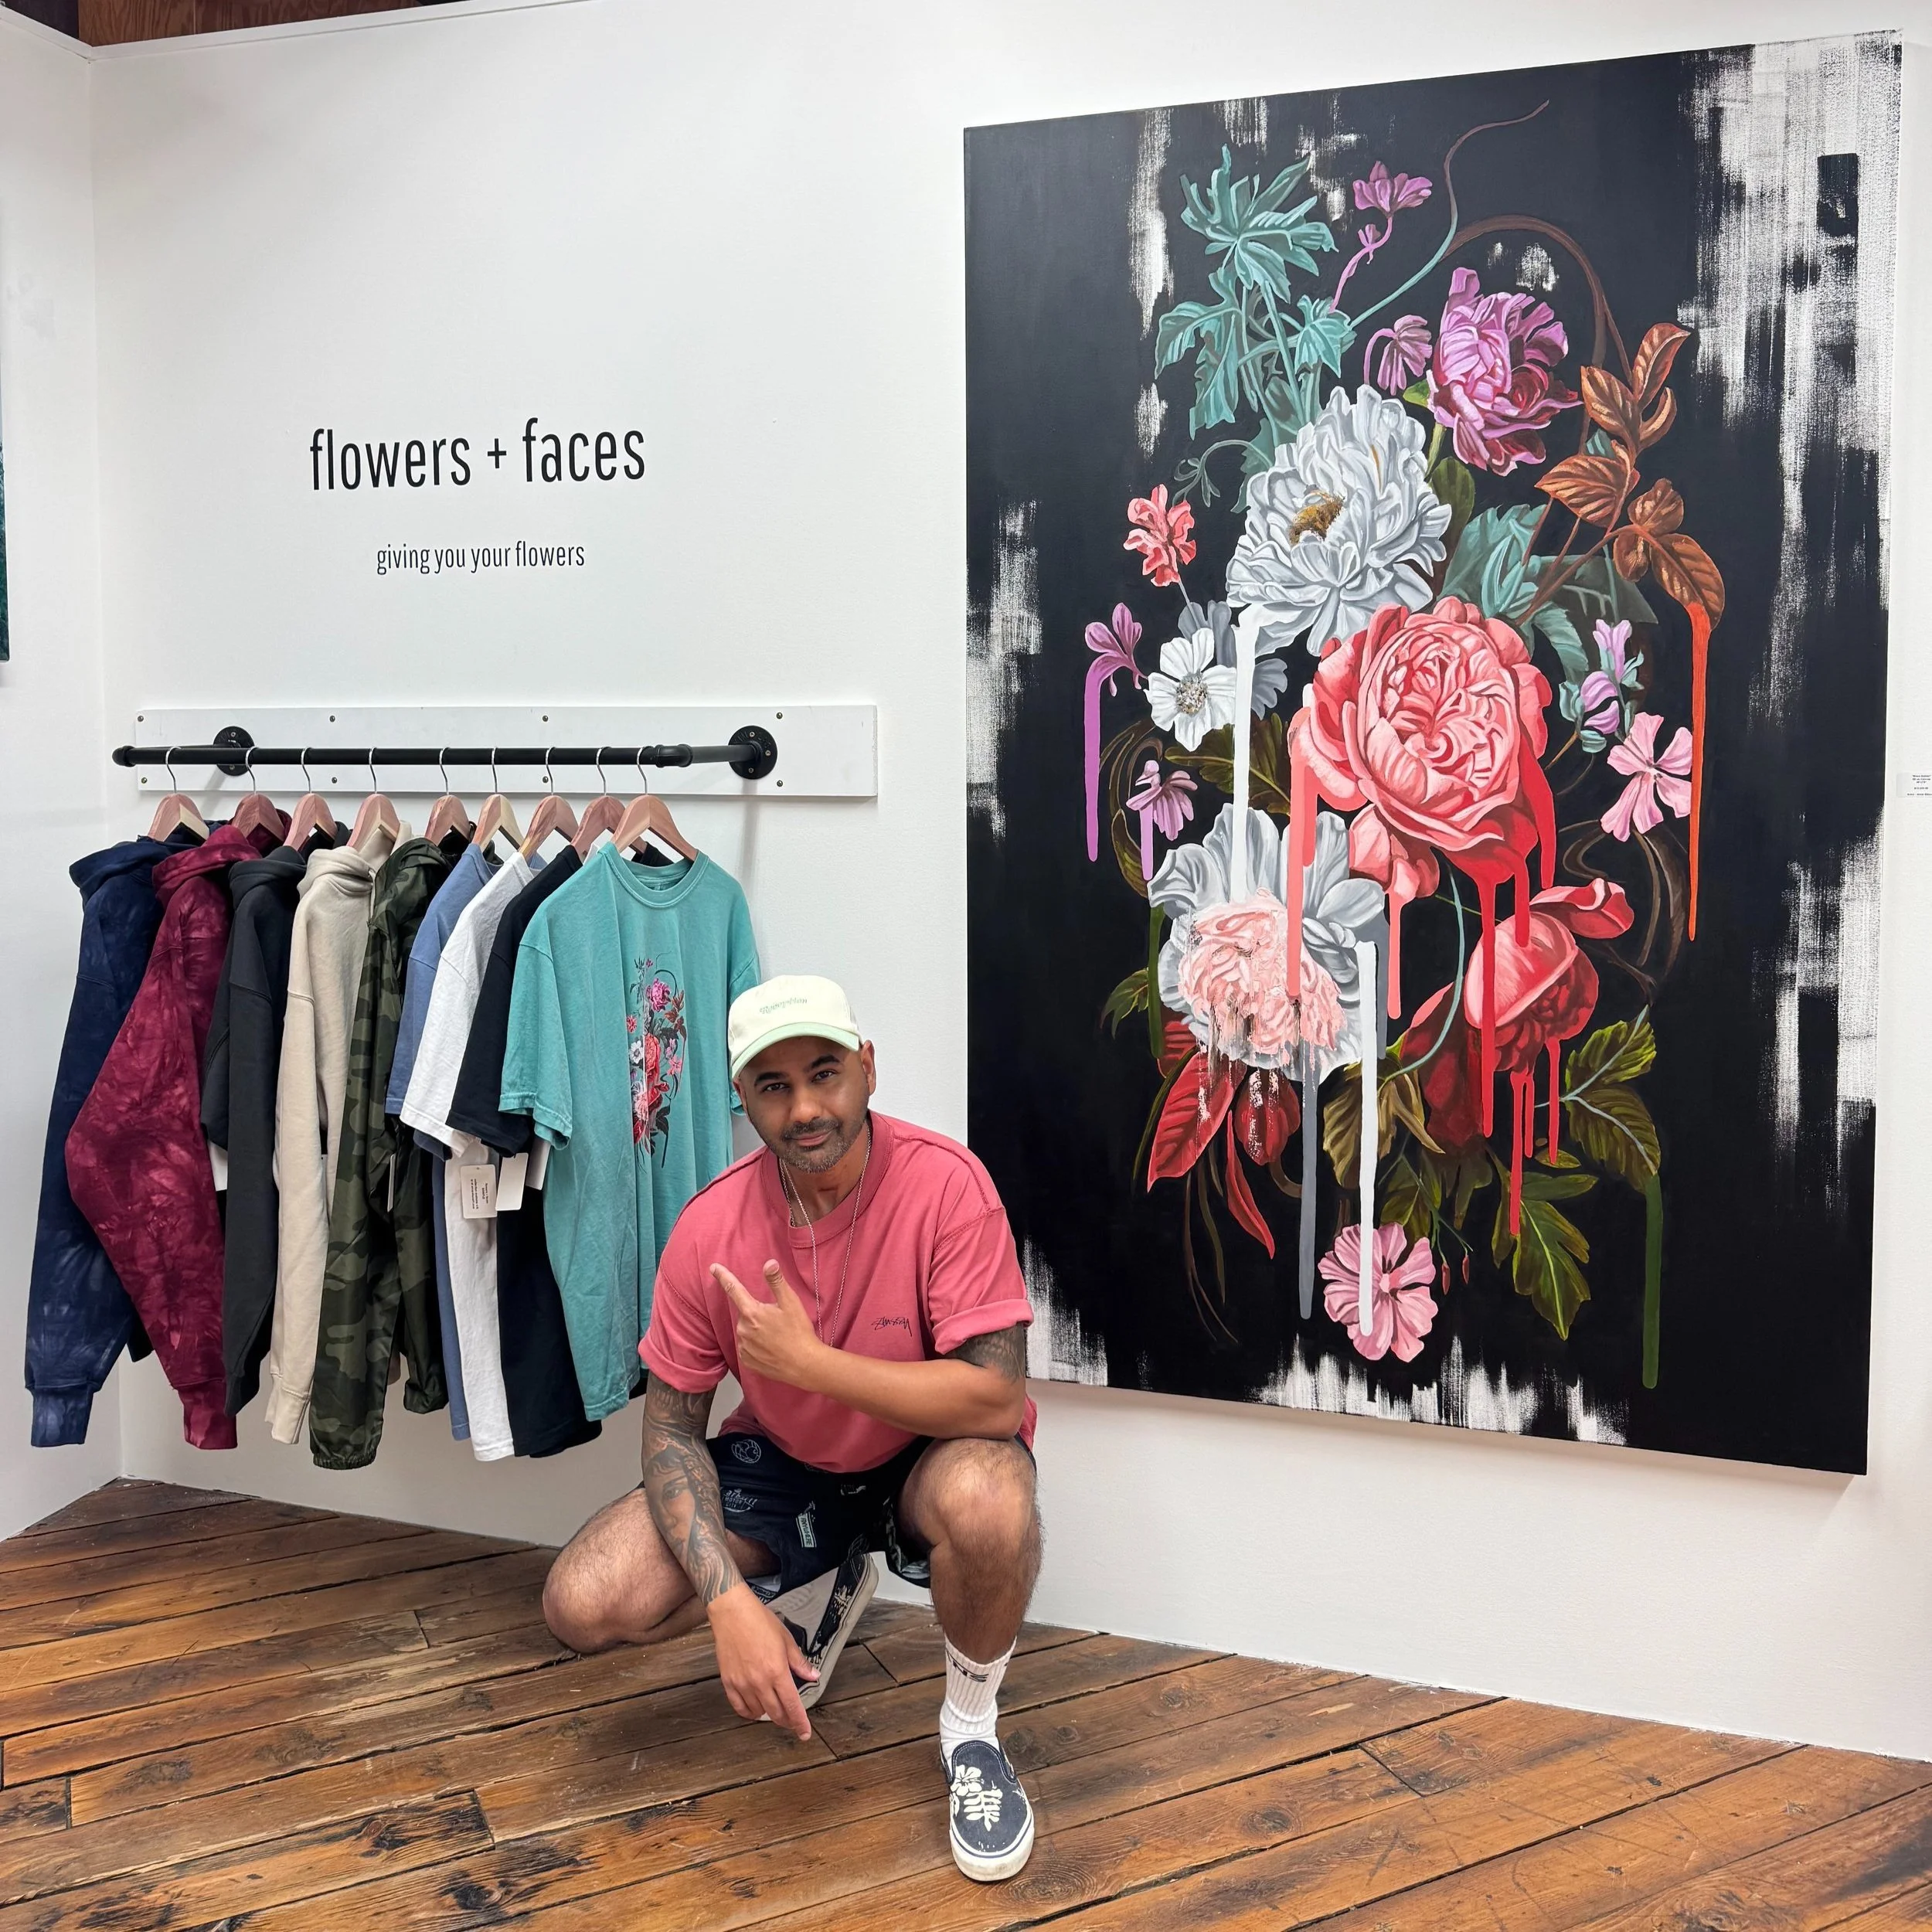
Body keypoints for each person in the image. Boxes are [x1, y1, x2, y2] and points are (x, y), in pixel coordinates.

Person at [541, 975, 1043, 1883]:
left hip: (921, 1456)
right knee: (583, 1600)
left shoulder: (948, 1184)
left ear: (868, 1069)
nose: (806, 1107)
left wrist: (812, 1365)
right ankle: (814, 1580)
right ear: (743, 1098)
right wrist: (728, 1600)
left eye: (825, 1073)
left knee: (991, 1495)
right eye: (773, 1086)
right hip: (790, 1461)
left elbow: (994, 1402)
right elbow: (668, 1434)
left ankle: (970, 1730)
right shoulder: (709, 1228)